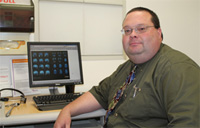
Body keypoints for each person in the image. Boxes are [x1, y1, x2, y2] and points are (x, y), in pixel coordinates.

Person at [54, 7, 200, 128]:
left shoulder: (178, 69)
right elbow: (99, 94)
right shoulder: (127, 68)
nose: (133, 35)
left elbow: (188, 123)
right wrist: (67, 110)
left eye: (141, 28)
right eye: (127, 30)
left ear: (159, 33)